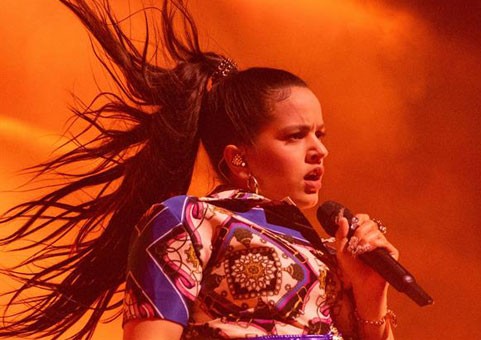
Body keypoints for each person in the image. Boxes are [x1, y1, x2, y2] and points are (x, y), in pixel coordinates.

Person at [0, 1, 398, 339]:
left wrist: (369, 289)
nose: (320, 150)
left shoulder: (327, 253)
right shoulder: (187, 220)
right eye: (295, 136)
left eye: (320, 134)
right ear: (238, 157)